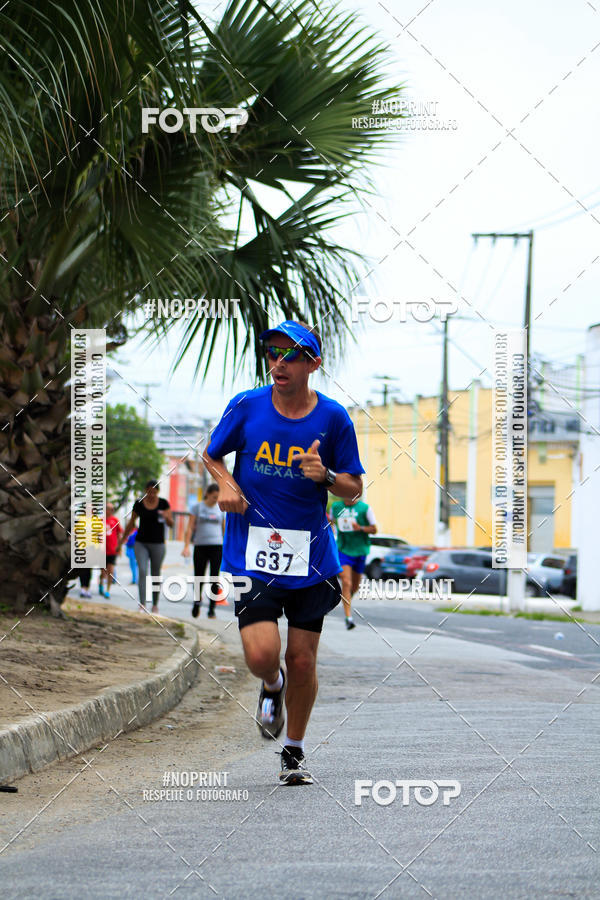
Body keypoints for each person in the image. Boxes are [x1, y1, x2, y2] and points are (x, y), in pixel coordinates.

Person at [203, 320, 364, 785]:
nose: (279, 362)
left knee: (303, 660)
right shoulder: (246, 406)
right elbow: (211, 454)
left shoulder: (333, 419)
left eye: (292, 355)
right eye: (273, 352)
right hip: (251, 554)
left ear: (313, 364)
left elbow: (354, 488)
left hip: (310, 558)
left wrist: (326, 476)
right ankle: (271, 686)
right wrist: (227, 484)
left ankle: (293, 751)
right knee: (262, 656)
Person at [119, 480, 173, 613]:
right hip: (141, 542)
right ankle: (142, 604)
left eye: (154, 492)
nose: (151, 494)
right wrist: (121, 541)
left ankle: (155, 604)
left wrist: (167, 517)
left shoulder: (163, 504)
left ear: (158, 492)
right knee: (142, 570)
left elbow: (171, 524)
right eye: (149, 491)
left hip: (158, 543)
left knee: (156, 573)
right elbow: (131, 523)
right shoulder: (139, 504)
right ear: (145, 490)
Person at [329, 496, 377, 629]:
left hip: (360, 550)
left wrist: (360, 528)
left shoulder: (364, 508)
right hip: (343, 549)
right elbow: (331, 521)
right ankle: (348, 617)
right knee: (346, 582)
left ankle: (345, 599)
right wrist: (331, 530)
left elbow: (374, 529)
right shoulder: (336, 507)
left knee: (354, 587)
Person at [182, 483, 226, 619]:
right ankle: (197, 602)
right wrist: (186, 546)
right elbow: (190, 528)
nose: (216, 500)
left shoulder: (221, 509)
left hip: (216, 547)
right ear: (207, 494)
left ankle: (211, 609)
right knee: (198, 577)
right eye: (214, 497)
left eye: (218, 498)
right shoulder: (197, 507)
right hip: (200, 546)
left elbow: (224, 529)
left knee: (214, 578)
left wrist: (226, 547)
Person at [99, 503, 122, 599]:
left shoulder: (115, 520)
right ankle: (101, 583)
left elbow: (119, 534)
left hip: (112, 550)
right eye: (108, 508)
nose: (110, 510)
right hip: (102, 550)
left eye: (112, 509)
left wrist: (120, 547)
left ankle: (108, 590)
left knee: (110, 571)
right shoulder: (100, 520)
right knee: (103, 571)